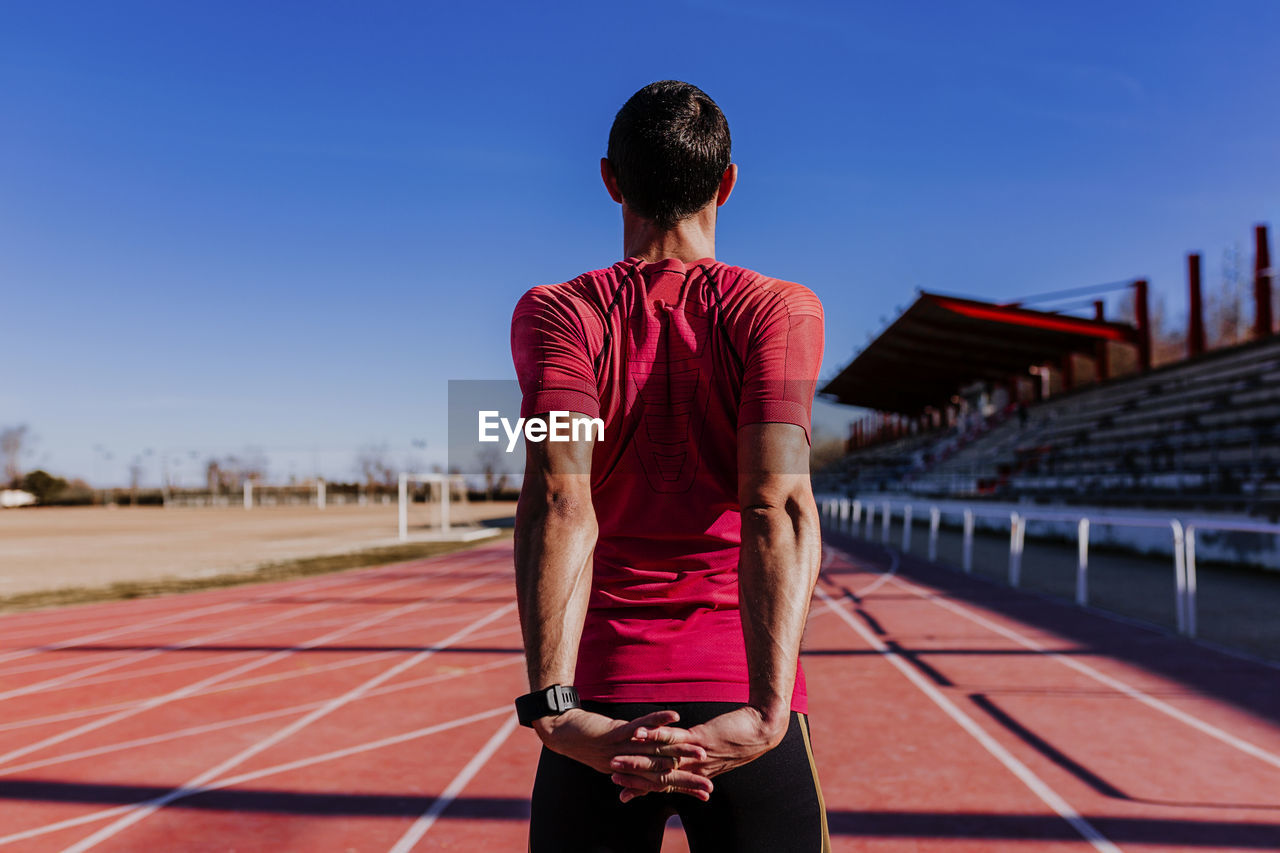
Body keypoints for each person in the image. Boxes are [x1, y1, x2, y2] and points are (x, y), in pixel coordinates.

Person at [510, 80, 829, 852]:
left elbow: (560, 500)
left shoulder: (559, 313)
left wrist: (555, 707)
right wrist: (768, 708)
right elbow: (777, 507)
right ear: (726, 183)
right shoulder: (782, 311)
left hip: (601, 708)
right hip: (745, 692)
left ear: (610, 180)